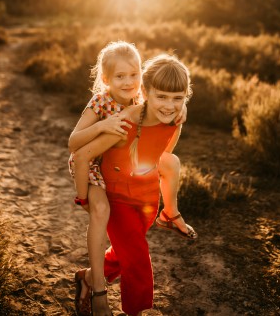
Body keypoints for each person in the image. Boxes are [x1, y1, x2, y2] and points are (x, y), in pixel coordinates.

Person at [68, 43, 196, 315]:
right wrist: (83, 197)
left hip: (140, 190)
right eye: (119, 76)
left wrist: (178, 114)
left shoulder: (157, 108)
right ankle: (133, 307)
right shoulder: (114, 115)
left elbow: (163, 150)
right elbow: (77, 150)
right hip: (102, 178)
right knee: (134, 253)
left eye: (133, 75)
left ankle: (88, 278)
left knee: (127, 247)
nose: (128, 82)